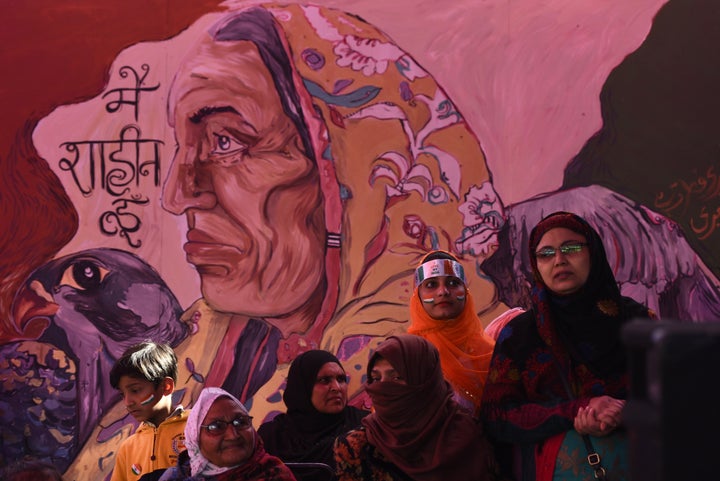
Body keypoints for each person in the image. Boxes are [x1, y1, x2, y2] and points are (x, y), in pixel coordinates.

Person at [481, 211, 656, 481]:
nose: (559, 260)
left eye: (571, 248)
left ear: (593, 252)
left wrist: (624, 411)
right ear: (535, 264)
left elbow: (677, 397)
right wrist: (575, 411)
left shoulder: (638, 323)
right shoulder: (519, 335)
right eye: (546, 253)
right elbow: (497, 416)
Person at [334, 334, 498, 480]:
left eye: (396, 377)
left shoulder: (468, 435)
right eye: (375, 379)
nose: (383, 388)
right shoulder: (357, 447)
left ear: (426, 382)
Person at [407, 250, 496, 415]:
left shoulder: (490, 353)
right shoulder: (408, 354)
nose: (443, 292)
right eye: (431, 284)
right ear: (417, 296)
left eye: (453, 283)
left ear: (466, 291)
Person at [258, 350, 369, 480]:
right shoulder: (272, 437)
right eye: (324, 380)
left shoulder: (363, 427)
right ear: (302, 387)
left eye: (341, 379)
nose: (337, 387)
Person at [157, 387, 297, 481]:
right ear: (196, 439)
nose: (233, 435)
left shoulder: (273, 475)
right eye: (216, 426)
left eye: (241, 422)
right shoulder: (177, 475)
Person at [110, 341, 189, 481]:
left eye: (135, 390)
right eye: (123, 394)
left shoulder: (197, 430)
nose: (128, 402)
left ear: (166, 386)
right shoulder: (128, 448)